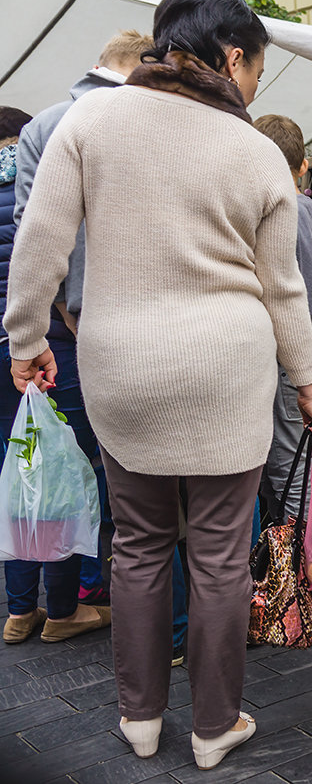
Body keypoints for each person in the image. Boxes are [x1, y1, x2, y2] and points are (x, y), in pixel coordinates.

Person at [4, 0, 312, 770]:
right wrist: (308, 383)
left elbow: (39, 239)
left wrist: (24, 340)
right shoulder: (255, 149)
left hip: (123, 367)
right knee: (219, 554)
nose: (255, 86)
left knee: (140, 544)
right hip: (230, 368)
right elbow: (282, 285)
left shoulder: (90, 120)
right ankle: (215, 725)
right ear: (230, 57)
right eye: (256, 67)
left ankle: (140, 716)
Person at [13, 30, 153, 612]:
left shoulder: (41, 126)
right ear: (144, 65)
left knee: (55, 461)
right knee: (124, 467)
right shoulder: (149, 116)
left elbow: (31, 229)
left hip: (66, 324)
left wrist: (37, 329)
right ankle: (109, 588)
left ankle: (42, 604)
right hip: (140, 320)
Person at [2, 104, 114, 646]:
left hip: (16, 350)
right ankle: (71, 604)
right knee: (69, 473)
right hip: (51, 347)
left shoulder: (32, 175)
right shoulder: (56, 186)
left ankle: (21, 609)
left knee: (25, 475)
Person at [252, 113, 312, 518]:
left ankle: (305, 574)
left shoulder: (272, 213)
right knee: (301, 471)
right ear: (303, 165)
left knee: (291, 477)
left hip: (290, 367)